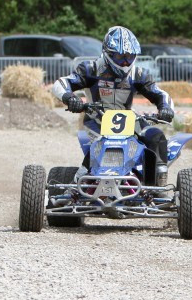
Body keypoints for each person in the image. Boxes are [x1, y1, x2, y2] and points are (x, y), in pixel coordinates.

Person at [51, 26, 175, 185]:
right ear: (107, 53)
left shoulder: (138, 74)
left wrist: (165, 108)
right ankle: (79, 182)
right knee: (102, 142)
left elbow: (160, 94)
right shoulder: (91, 69)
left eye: (129, 57)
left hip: (129, 120)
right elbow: (61, 83)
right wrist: (69, 97)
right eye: (119, 56)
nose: (125, 62)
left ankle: (157, 186)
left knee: (156, 137)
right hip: (96, 121)